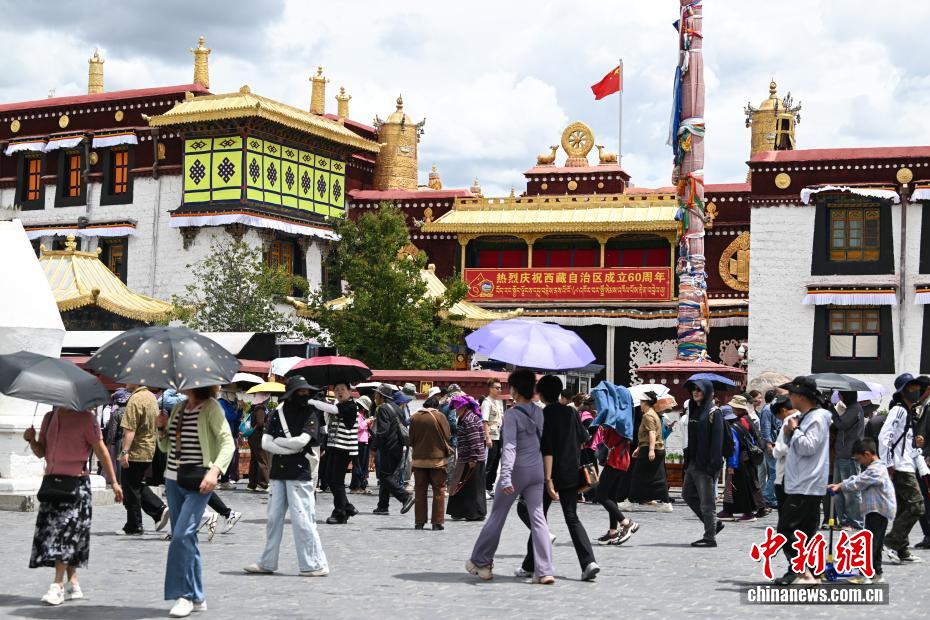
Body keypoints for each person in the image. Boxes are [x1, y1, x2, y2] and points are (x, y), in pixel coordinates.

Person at [24, 408, 123, 606]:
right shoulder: (49, 418)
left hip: (76, 486)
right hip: (53, 485)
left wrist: (114, 482)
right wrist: (32, 440)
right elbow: (42, 452)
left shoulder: (87, 419)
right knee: (66, 534)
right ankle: (73, 583)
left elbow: (101, 450)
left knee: (65, 533)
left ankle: (57, 585)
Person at [467, 369, 555, 584]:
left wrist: (505, 476)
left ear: (515, 389)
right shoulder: (540, 412)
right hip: (536, 471)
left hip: (516, 471)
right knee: (538, 519)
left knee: (497, 517)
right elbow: (544, 444)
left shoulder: (513, 414)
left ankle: (482, 562)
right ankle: (544, 571)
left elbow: (510, 447)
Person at [155, 384, 235, 618]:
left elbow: (227, 442)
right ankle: (198, 596)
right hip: (173, 479)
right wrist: (161, 430)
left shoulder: (211, 408)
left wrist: (215, 471)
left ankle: (185, 596)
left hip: (200, 481)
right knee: (187, 539)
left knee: (180, 537)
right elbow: (166, 447)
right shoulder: (179, 408)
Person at [515, 375, 599, 581]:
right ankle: (588, 562)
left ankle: (531, 562)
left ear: (541, 394)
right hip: (571, 472)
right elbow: (584, 438)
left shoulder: (542, 416)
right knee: (572, 518)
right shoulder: (571, 412)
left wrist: (548, 479)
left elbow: (547, 449)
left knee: (533, 515)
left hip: (547, 473)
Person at [244, 376, 328, 577]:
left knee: (303, 520)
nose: (304, 395)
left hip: (299, 473)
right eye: (301, 392)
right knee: (273, 519)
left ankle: (313, 564)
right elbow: (266, 443)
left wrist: (281, 444)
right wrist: (289, 447)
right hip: (278, 473)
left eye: (306, 392)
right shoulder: (277, 413)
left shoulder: (311, 413)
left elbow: (302, 441)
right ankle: (267, 561)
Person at [774, 376, 832, 585]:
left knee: (786, 530)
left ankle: (804, 572)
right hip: (801, 481)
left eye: (791, 394)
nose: (789, 397)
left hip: (806, 483)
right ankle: (806, 572)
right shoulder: (807, 416)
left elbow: (809, 447)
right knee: (803, 533)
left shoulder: (817, 418)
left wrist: (794, 430)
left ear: (800, 396)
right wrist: (792, 432)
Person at [828, 438, 896, 584]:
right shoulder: (874, 468)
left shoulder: (876, 470)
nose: (859, 463)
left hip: (878, 511)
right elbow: (858, 477)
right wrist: (840, 484)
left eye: (859, 459)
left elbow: (858, 482)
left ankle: (865, 574)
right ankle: (876, 573)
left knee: (870, 544)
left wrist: (840, 487)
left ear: (867, 454)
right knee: (875, 544)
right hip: (877, 511)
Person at [878, 373, 927, 564]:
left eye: (917, 388)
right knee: (917, 505)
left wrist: (915, 442)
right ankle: (891, 543)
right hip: (900, 467)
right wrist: (889, 463)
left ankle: (902, 550)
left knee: (904, 507)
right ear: (902, 391)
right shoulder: (898, 410)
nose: (915, 391)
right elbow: (885, 436)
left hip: (906, 463)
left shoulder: (907, 412)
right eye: (911, 388)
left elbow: (901, 440)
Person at [119, 384, 170, 535]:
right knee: (135, 484)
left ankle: (136, 524)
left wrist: (125, 451)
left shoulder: (135, 399)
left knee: (131, 487)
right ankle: (155, 511)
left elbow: (130, 428)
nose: (125, 383)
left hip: (136, 449)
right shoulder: (151, 397)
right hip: (149, 447)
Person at [681, 379, 726, 547]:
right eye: (693, 389)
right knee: (687, 495)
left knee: (707, 504)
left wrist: (713, 466)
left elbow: (717, 442)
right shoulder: (694, 410)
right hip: (693, 462)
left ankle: (710, 537)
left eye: (699, 390)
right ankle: (715, 524)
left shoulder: (715, 413)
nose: (695, 392)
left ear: (707, 391)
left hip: (706, 464)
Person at [371, 384, 415, 515]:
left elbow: (382, 432)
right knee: (388, 476)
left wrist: (373, 447)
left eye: (376, 394)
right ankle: (383, 506)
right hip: (398, 447)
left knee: (384, 477)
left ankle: (405, 497)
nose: (374, 397)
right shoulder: (397, 408)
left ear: (382, 396)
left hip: (388, 447)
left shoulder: (383, 408)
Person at [321, 382, 360, 524]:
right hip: (333, 445)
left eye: (343, 389)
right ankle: (347, 507)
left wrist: (315, 402)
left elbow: (337, 411)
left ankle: (340, 513)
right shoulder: (338, 406)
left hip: (344, 448)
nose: (339, 392)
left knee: (336, 481)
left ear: (350, 391)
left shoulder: (351, 406)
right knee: (329, 478)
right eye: (336, 390)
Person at [628, 391, 673, 512]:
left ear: (645, 402)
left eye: (642, 402)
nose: (640, 405)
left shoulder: (648, 415)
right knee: (657, 477)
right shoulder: (654, 414)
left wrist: (651, 450)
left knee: (638, 476)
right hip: (652, 448)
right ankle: (664, 502)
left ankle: (630, 501)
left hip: (650, 449)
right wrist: (639, 448)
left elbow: (652, 433)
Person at [410, 405, 453, 530]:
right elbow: (448, 436)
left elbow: (411, 438)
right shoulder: (440, 416)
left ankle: (419, 522)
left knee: (420, 491)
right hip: (437, 461)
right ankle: (437, 522)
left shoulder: (415, 417)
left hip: (419, 460)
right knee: (438, 491)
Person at [447, 394, 488, 521]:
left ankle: (474, 513)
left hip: (471, 459)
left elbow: (475, 440)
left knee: (472, 488)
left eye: (457, 408)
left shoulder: (469, 419)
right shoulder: (466, 417)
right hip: (466, 458)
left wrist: (473, 458)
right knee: (463, 486)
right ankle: (459, 511)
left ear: (464, 407)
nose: (456, 411)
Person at [718, 402, 761, 522]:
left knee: (740, 488)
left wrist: (732, 465)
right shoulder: (739, 425)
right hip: (746, 461)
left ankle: (748, 514)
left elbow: (734, 448)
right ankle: (728, 510)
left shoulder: (731, 429)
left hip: (738, 462)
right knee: (735, 487)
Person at [832, 391, 865, 529]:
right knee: (838, 490)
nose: (839, 397)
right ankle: (844, 520)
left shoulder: (854, 408)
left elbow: (842, 424)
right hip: (842, 454)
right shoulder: (850, 408)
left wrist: (832, 411)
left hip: (850, 455)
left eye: (840, 394)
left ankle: (855, 522)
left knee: (851, 491)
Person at [769, 396, 796, 510]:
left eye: (777, 416)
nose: (778, 418)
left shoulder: (788, 422)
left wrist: (773, 450)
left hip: (786, 473)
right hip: (797, 473)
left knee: (786, 512)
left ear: (783, 411)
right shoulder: (802, 417)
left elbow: (781, 449)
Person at [482, 378, 504, 498]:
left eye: (500, 388)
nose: (499, 390)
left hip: (499, 436)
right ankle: (484, 488)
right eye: (497, 388)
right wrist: (487, 438)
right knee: (489, 463)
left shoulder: (498, 402)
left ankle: (490, 487)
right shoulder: (487, 402)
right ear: (490, 389)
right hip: (491, 437)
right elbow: (484, 421)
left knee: (496, 463)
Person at [758, 389, 780, 509]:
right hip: (770, 444)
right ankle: (767, 496)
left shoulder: (770, 409)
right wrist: (769, 445)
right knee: (775, 472)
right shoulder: (767, 410)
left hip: (773, 442)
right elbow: (766, 429)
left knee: (773, 472)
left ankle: (770, 497)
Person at [217, 388, 242, 490]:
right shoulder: (221, 402)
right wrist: (236, 409)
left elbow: (236, 418)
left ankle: (224, 481)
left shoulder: (231, 403)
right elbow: (228, 416)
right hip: (221, 435)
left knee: (229, 459)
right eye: (231, 393)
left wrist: (240, 409)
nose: (233, 395)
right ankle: (220, 480)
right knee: (221, 458)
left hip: (230, 433)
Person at [246, 394, 271, 492]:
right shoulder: (261, 409)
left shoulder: (255, 408)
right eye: (267, 398)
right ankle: (263, 484)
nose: (268, 400)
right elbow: (260, 423)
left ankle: (252, 484)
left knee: (255, 462)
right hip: (259, 438)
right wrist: (269, 423)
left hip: (254, 438)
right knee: (262, 461)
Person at [349, 395, 373, 494]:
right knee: (358, 465)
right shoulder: (356, 414)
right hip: (358, 442)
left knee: (363, 465)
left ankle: (362, 486)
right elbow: (356, 427)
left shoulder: (362, 414)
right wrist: (365, 423)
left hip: (364, 442)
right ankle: (355, 486)